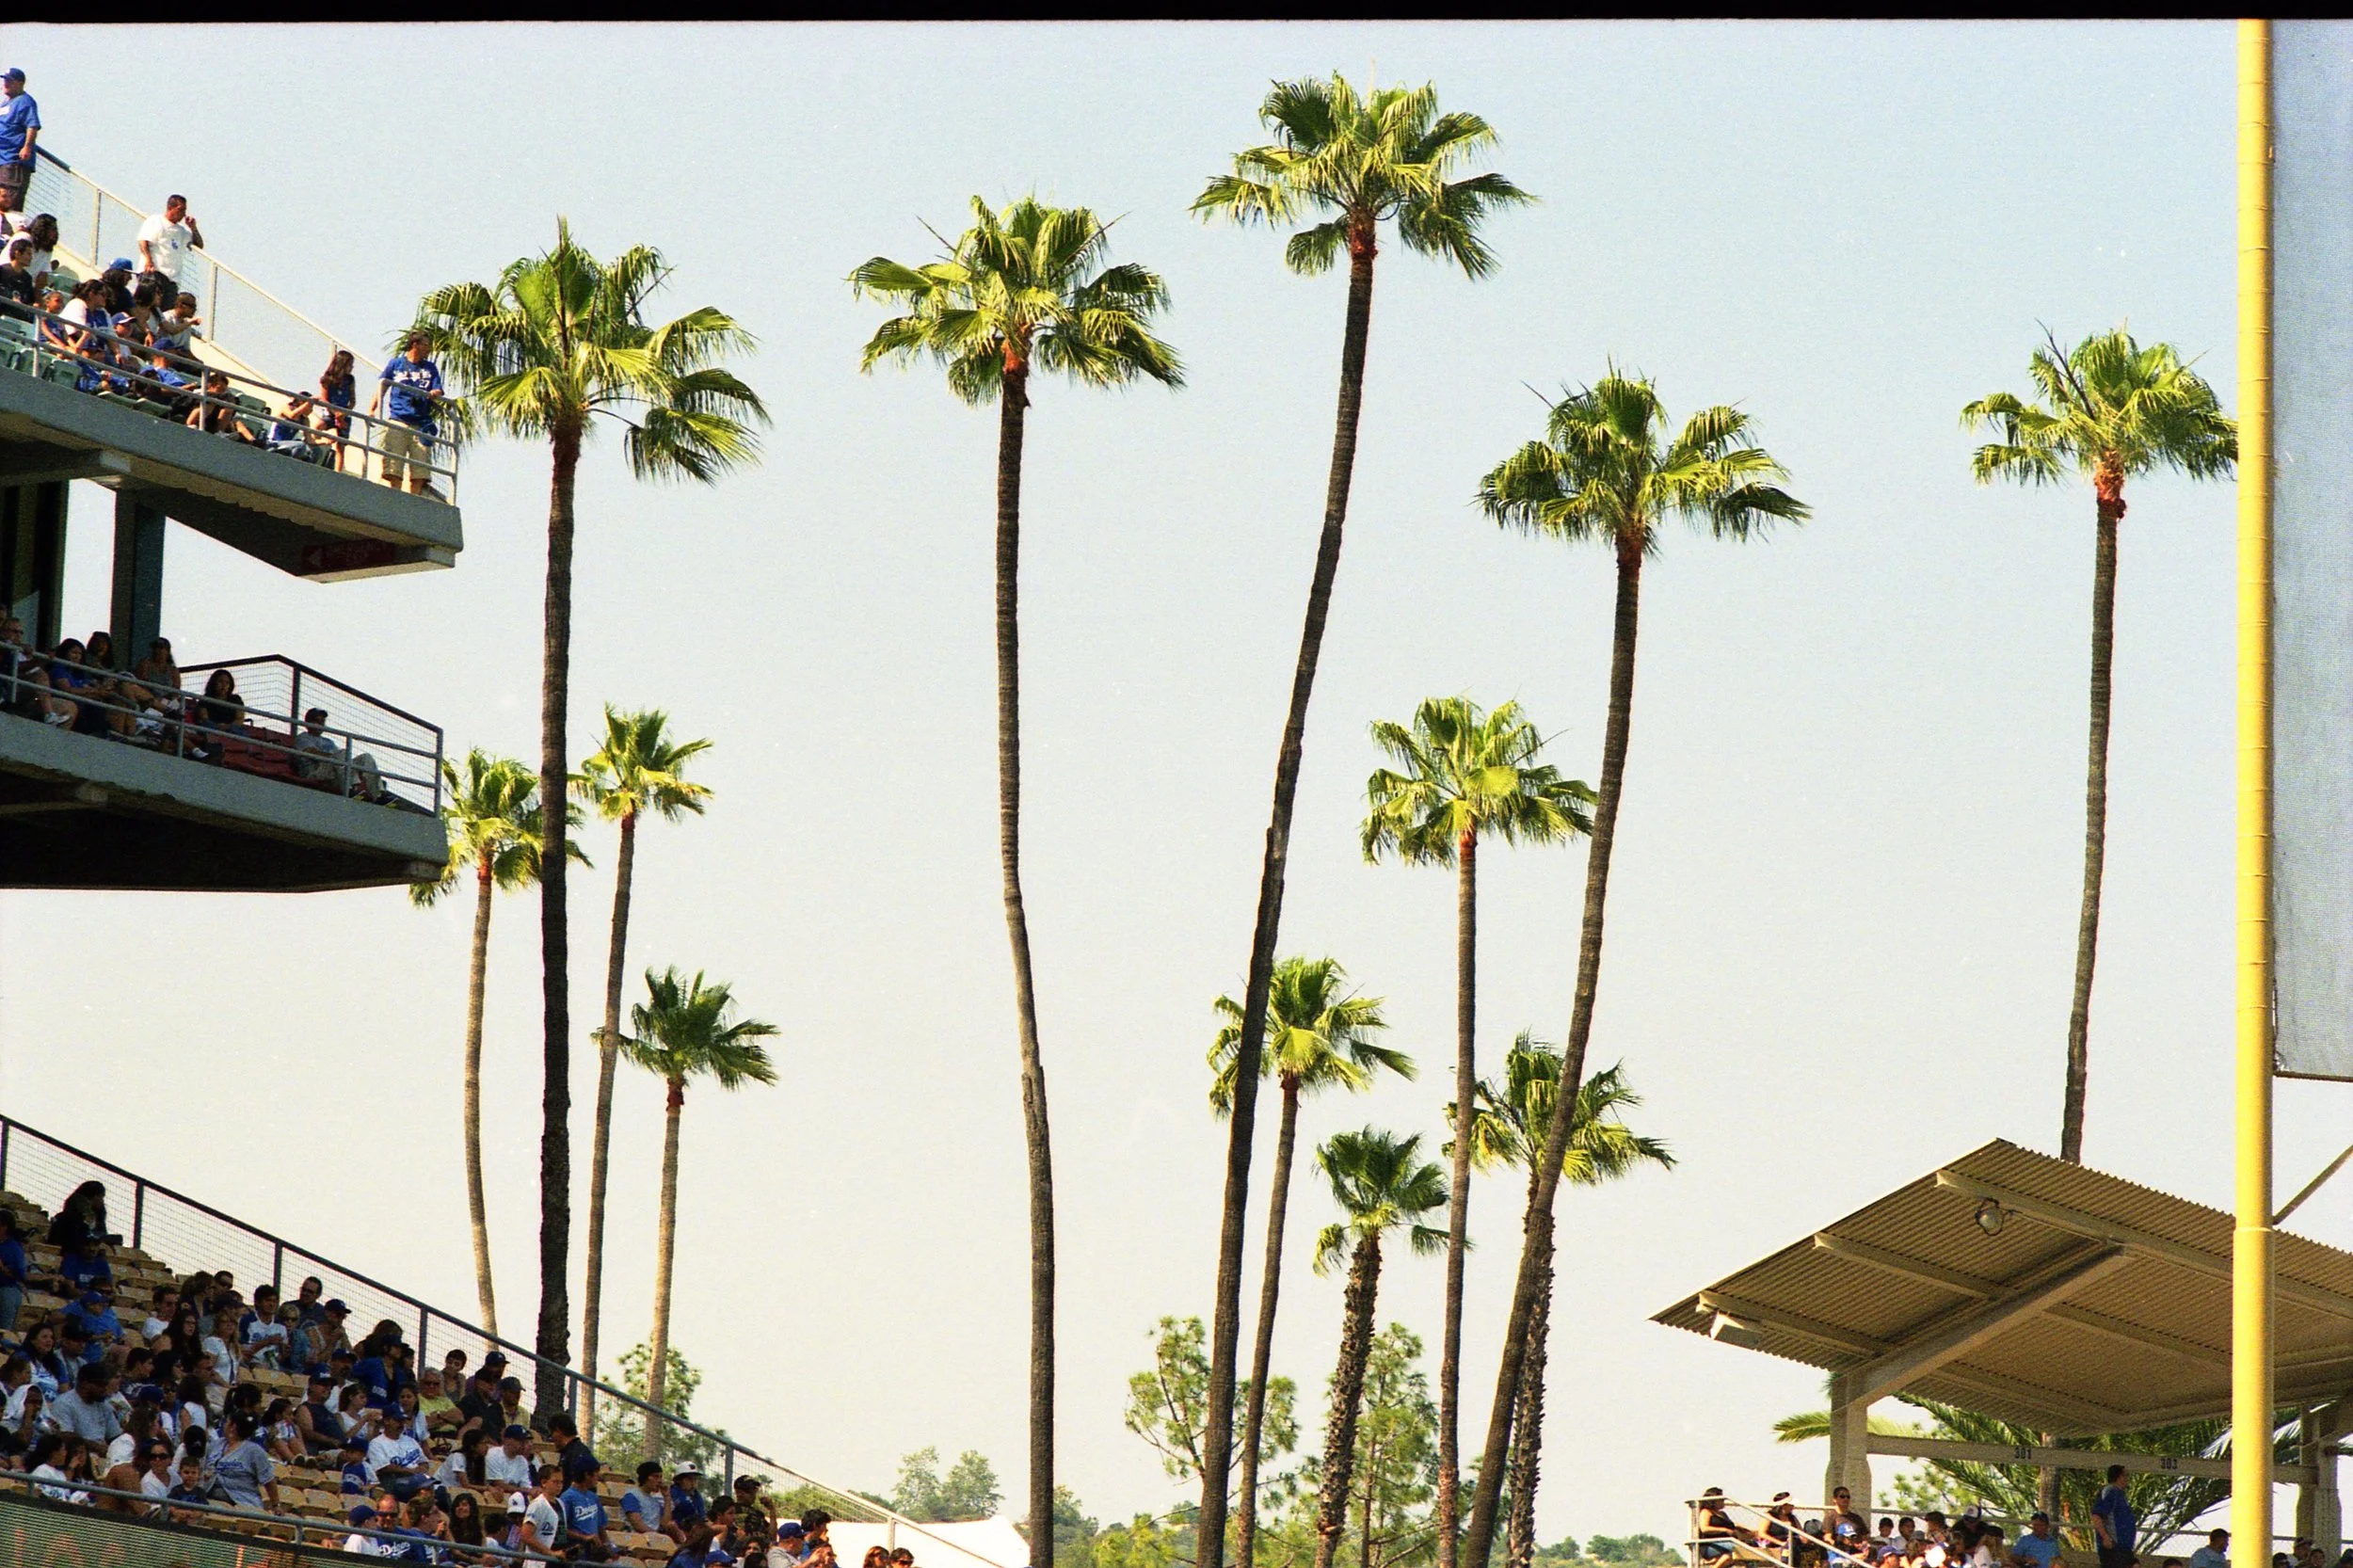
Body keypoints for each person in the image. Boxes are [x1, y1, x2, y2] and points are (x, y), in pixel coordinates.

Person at [370, 332, 444, 495]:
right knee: (393, 467)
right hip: (398, 419)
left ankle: (413, 500)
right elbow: (382, 386)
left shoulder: (430, 368)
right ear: (415, 345)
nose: (429, 349)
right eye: (426, 345)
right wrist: (372, 409)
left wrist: (435, 393)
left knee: (420, 471)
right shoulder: (396, 364)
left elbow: (438, 389)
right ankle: (395, 498)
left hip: (421, 423)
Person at [214, 1410, 279, 1512]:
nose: (224, 1425)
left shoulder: (254, 1451)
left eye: (226, 1422)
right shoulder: (216, 1445)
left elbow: (269, 1481)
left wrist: (275, 1505)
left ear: (233, 1427)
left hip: (243, 1499)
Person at [48, 1361, 123, 1445]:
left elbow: (115, 1436)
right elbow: (66, 1438)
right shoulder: (64, 1404)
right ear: (85, 1384)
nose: (105, 1390)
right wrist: (96, 1447)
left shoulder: (104, 1405)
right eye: (101, 1385)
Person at [136, 195, 202, 286]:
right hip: (153, 273)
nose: (183, 214)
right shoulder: (155, 220)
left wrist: (193, 228)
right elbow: (143, 241)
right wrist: (148, 261)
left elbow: (199, 245)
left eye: (184, 210)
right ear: (170, 207)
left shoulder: (182, 231)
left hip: (172, 279)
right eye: (180, 209)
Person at [370, 1406, 432, 1501]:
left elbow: (424, 1461)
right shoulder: (376, 1443)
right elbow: (385, 1468)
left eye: (402, 1421)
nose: (401, 1424)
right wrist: (411, 1471)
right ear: (386, 1421)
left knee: (441, 1491)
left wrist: (422, 1468)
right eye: (397, 1421)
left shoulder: (411, 1441)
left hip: (417, 1479)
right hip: (394, 1481)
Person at [560, 1459, 613, 1561]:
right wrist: (584, 1537)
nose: (599, 1477)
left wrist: (607, 1547)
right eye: (596, 1473)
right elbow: (560, 1529)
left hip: (593, 1555)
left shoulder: (594, 1497)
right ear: (587, 1475)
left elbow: (601, 1528)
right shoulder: (567, 1497)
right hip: (576, 1555)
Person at [0, 71, 37, 216]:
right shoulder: (5, 103)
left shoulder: (25, 101)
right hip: (2, 159)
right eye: (4, 80)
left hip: (13, 160)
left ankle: (9, 233)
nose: (5, 83)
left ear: (20, 83)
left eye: (10, 80)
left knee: (10, 201)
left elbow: (32, 125)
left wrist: (27, 146)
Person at [2092, 1464, 2137, 1568]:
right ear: (2118, 1477)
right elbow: (2096, 1515)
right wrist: (2105, 1537)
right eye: (2125, 1475)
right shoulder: (2110, 1492)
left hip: (2124, 1547)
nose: (2127, 1479)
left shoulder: (2120, 1495)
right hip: (2114, 1547)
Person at [320, 348, 359, 469]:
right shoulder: (327, 379)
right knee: (317, 427)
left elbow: (352, 400)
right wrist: (335, 413)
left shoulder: (350, 380)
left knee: (340, 447)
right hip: (329, 413)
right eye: (350, 365)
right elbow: (325, 399)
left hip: (344, 415)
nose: (351, 368)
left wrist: (345, 413)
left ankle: (338, 470)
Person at [624, 1462, 677, 1544]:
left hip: (654, 1540)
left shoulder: (655, 1501)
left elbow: (665, 1524)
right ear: (645, 1478)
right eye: (656, 1477)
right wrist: (657, 1536)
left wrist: (667, 1498)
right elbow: (638, 1525)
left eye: (660, 1477)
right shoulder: (631, 1496)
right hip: (637, 1539)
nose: (660, 1481)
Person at [522, 1466, 567, 1559]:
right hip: (541, 1560)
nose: (559, 1486)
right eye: (555, 1482)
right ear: (544, 1482)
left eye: (561, 1482)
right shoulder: (537, 1505)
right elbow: (526, 1536)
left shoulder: (560, 1504)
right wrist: (550, 1553)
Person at [0, 1211, 27, 1341]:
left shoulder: (13, 1248)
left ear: (4, 1227)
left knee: (4, 1331)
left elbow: (19, 1274)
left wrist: (3, 1268)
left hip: (6, 1288)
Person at [164, 1451, 211, 1523]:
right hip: (178, 1517)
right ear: (180, 1473)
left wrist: (193, 1514)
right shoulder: (176, 1490)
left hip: (193, 1519)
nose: (190, 1475)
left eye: (193, 1473)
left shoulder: (200, 1492)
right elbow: (170, 1505)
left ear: (198, 1474)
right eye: (186, 1472)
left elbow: (203, 1508)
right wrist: (176, 1512)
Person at [485, 1423, 535, 1491]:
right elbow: (498, 1484)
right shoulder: (493, 1454)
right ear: (507, 1440)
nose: (523, 1444)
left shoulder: (522, 1461)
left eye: (525, 1441)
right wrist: (523, 1490)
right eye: (520, 1441)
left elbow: (526, 1485)